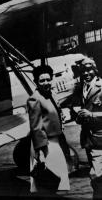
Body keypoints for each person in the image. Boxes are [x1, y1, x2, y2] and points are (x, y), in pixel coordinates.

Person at [28, 65, 70, 194]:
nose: (46, 83)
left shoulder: (51, 94)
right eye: (42, 80)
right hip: (46, 145)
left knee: (59, 181)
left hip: (56, 142)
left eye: (48, 79)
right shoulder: (34, 99)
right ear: (36, 82)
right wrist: (40, 153)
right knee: (51, 182)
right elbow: (36, 128)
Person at [75, 57, 102, 199]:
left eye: (89, 69)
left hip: (99, 139)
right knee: (96, 177)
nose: (86, 73)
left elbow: (90, 113)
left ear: (95, 70)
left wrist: (91, 115)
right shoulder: (82, 88)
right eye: (83, 70)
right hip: (88, 140)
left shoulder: (101, 86)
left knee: (96, 176)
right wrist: (79, 117)